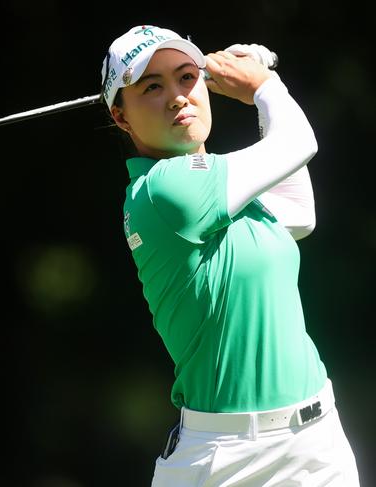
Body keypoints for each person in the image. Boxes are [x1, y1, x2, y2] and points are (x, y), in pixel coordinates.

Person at [100, 25, 361, 486]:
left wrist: (262, 92)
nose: (178, 97)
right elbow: (299, 143)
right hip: (225, 461)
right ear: (121, 117)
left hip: (316, 446)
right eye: (152, 87)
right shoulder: (166, 189)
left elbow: (299, 214)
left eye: (186, 77)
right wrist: (264, 87)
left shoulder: (218, 188)